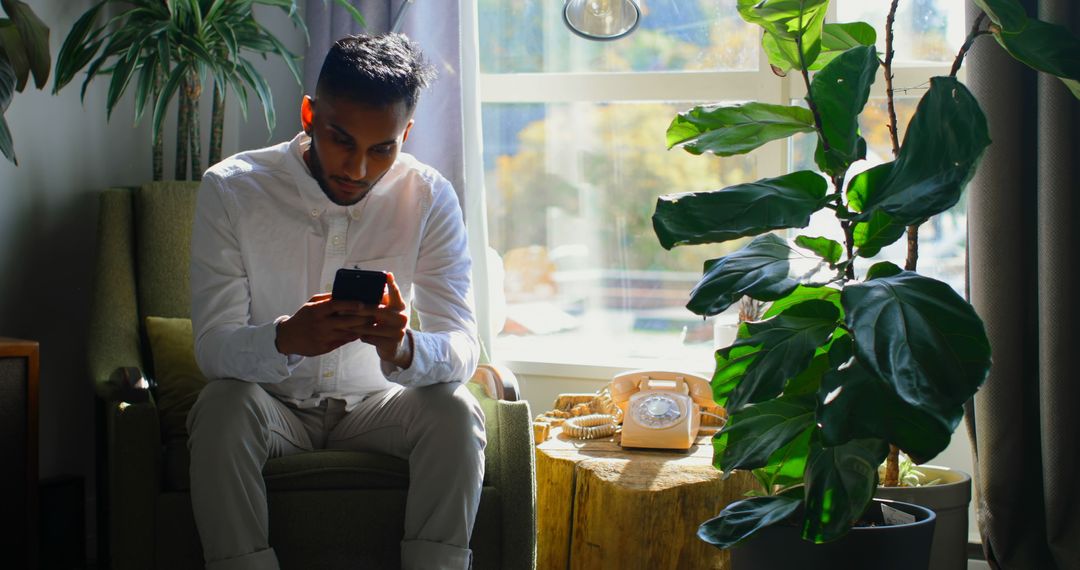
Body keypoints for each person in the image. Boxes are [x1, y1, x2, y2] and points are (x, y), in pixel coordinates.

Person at [186, 33, 484, 570]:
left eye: (382, 149)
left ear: (406, 134)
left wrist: (405, 348)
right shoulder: (231, 190)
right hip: (272, 407)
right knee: (221, 408)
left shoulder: (430, 195)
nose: (358, 169)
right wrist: (285, 339)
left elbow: (464, 346)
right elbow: (213, 349)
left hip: (379, 408)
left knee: (457, 412)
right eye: (341, 140)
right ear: (308, 113)